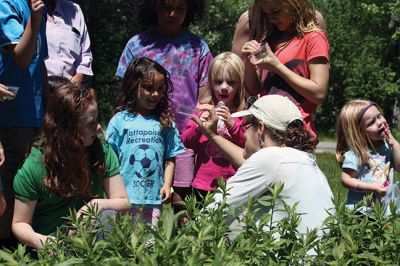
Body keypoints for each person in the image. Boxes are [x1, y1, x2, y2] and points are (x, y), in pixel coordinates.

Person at [115, 0, 213, 211]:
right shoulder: (137, 45)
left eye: (180, 8)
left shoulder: (199, 48)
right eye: (166, 7)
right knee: (137, 199)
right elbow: (123, 94)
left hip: (185, 139)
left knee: (180, 202)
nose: (172, 14)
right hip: (141, 138)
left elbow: (205, 98)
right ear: (154, 7)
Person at [192, 95, 334, 236]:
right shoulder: (304, 161)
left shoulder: (270, 159)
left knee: (236, 218)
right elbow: (247, 160)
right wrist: (211, 134)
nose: (244, 134)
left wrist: (188, 236)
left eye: (245, 126)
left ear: (260, 128)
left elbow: (217, 208)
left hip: (287, 257)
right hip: (317, 254)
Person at [12, 84, 130, 249]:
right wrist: (45, 242)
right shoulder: (35, 166)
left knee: (107, 215)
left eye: (97, 119)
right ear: (68, 131)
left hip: (91, 242)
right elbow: (19, 223)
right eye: (91, 123)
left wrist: (95, 205)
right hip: (50, 247)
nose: (98, 127)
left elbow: (124, 202)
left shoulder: (102, 151)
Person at [106, 57, 185, 224]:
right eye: (149, 88)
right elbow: (110, 159)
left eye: (160, 89)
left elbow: (170, 157)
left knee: (151, 244)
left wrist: (167, 185)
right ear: (134, 86)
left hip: (154, 199)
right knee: (126, 243)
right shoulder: (120, 121)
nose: (155, 94)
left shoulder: (165, 122)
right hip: (125, 198)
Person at [240, 0, 330, 142]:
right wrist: (249, 61)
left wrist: (277, 67)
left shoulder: (314, 38)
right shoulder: (269, 39)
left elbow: (318, 93)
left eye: (276, 12)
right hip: (266, 131)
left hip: (297, 134)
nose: (271, 18)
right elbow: (254, 90)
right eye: (267, 13)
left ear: (295, 4)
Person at [0, 0, 48, 247]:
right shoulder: (7, 4)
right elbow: (21, 57)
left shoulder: (38, 8)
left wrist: (47, 111)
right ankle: (7, 249)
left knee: (29, 180)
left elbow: (39, 65)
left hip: (35, 114)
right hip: (12, 114)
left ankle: (25, 243)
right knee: (11, 184)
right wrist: (35, 18)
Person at [181, 52, 246, 203]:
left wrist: (232, 124)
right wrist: (199, 127)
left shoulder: (243, 113)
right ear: (211, 83)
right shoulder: (202, 109)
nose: (224, 87)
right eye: (218, 82)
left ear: (240, 84)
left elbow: (248, 145)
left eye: (231, 82)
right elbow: (186, 141)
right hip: (203, 184)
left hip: (233, 184)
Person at [336, 100, 400, 210]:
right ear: (359, 132)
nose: (379, 122)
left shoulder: (387, 148)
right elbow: (346, 180)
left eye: (379, 116)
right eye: (371, 123)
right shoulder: (356, 152)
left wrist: (394, 143)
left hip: (384, 210)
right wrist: (372, 188)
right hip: (361, 211)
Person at [231, 0, 327, 61]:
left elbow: (319, 80)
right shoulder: (249, 22)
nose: (271, 19)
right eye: (265, 13)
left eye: (276, 11)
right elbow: (235, 71)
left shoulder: (313, 21)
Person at [44, 0, 93, 86]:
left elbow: (85, 55)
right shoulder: (25, 10)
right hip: (37, 89)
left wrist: (74, 83)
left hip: (70, 91)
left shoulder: (74, 10)